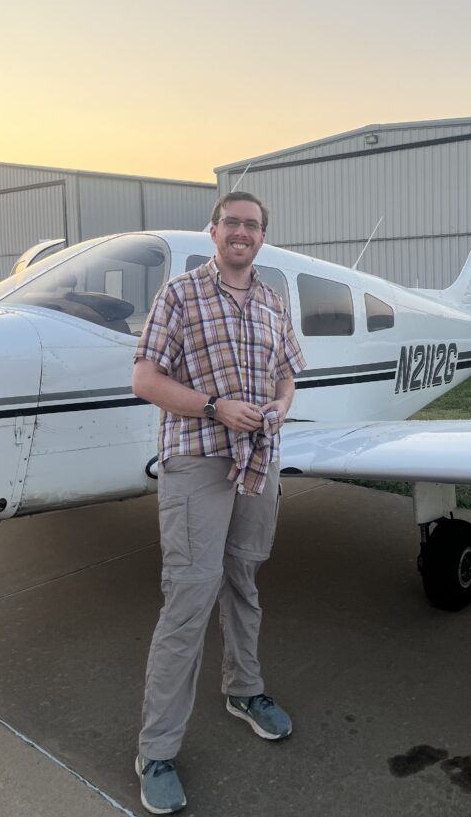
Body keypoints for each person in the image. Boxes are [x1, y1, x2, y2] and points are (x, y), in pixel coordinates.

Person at [132, 190, 306, 815]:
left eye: (252, 225)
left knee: (244, 581)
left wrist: (277, 410)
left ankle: (245, 691)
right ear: (214, 232)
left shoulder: (271, 302)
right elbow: (145, 378)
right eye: (231, 222)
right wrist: (213, 407)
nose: (241, 232)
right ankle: (155, 751)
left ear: (262, 237)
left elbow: (288, 374)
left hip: (258, 461)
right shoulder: (179, 295)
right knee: (189, 598)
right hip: (199, 463)